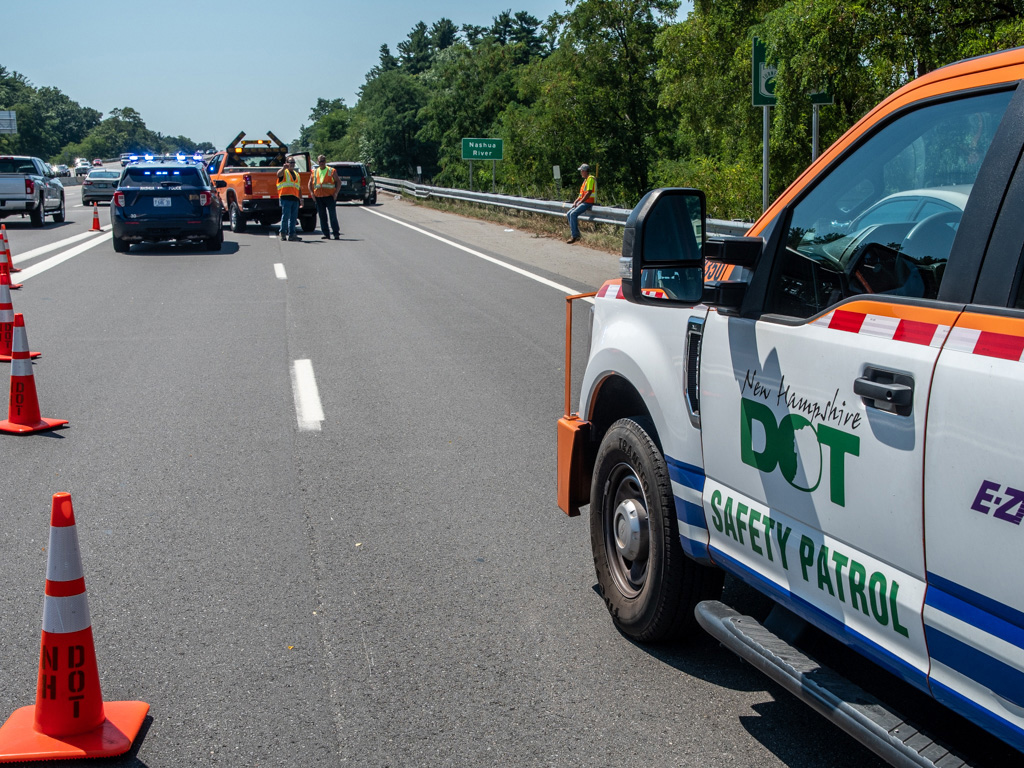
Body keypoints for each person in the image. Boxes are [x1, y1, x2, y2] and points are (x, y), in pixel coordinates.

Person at [309, 155, 340, 240]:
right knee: (322, 216)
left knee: (332, 216)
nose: (321, 163)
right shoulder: (314, 171)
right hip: (318, 197)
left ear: (325, 162)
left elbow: (338, 182)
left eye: (323, 161)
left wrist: (336, 193)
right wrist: (312, 194)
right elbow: (310, 184)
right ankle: (326, 234)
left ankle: (336, 233)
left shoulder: (331, 170)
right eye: (320, 161)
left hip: (330, 197)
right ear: (317, 162)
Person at [566, 164, 595, 244]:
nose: (581, 172)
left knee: (573, 214)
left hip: (588, 202)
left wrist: (580, 202)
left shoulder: (590, 179)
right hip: (584, 202)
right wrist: (576, 201)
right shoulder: (585, 181)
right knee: (569, 213)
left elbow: (589, 193)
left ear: (585, 171)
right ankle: (575, 234)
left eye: (581, 171)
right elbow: (581, 194)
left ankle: (575, 236)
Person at [276, 158, 302, 241]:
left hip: (295, 198)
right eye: (290, 162)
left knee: (293, 218)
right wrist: (283, 168)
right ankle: (283, 233)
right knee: (286, 216)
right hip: (285, 198)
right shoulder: (284, 172)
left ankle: (292, 234)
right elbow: (278, 174)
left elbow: (298, 187)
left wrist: (301, 198)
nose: (292, 164)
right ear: (286, 163)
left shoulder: (296, 174)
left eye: (293, 162)